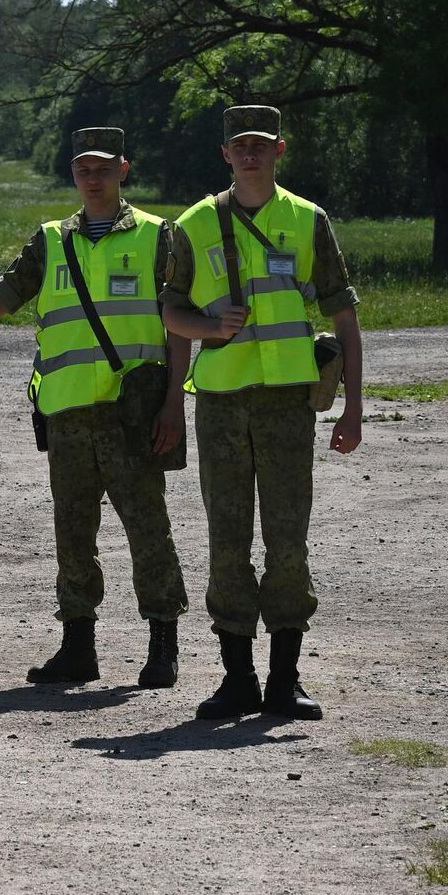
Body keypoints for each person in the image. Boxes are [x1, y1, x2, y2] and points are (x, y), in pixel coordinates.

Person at [0, 127, 190, 688]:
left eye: (103, 167)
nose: (93, 177)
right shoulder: (51, 239)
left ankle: (163, 644)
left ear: (123, 169)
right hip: (67, 414)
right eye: (83, 168)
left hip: (134, 414)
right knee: (72, 532)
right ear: (73, 174)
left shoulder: (160, 237)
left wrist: (175, 403)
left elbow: (180, 325)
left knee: (148, 528)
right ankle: (78, 646)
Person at [161, 104, 363, 721]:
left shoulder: (308, 220)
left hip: (286, 405)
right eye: (239, 145)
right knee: (227, 540)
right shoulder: (193, 224)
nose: (250, 154)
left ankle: (285, 680)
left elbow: (344, 317)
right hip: (221, 403)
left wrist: (354, 407)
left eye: (261, 144)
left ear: (280, 150)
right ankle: (237, 678)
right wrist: (206, 327)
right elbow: (169, 312)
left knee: (287, 542)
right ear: (225, 154)